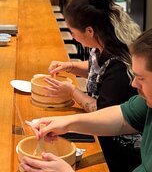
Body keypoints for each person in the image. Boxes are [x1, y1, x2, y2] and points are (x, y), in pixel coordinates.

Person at [19, 28, 152, 172]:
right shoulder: (147, 102)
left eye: (141, 78)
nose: (133, 84)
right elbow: (123, 118)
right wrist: (68, 123)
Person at [43, 0, 141, 171]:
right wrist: (71, 66)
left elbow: (102, 112)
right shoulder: (104, 43)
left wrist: (72, 92)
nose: (72, 36)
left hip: (119, 150)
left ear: (89, 31)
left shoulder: (119, 66)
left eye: (73, 32)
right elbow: (98, 68)